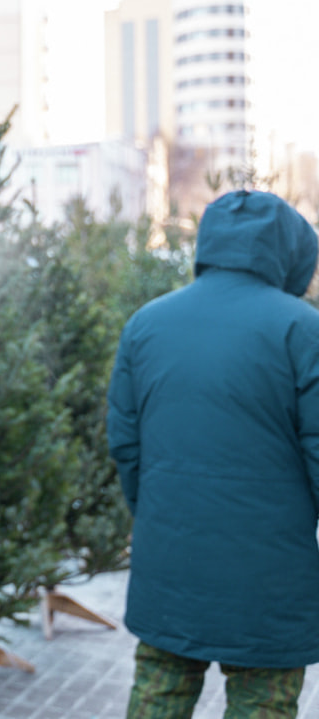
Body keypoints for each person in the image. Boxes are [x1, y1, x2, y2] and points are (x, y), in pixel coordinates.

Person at [107, 189, 319, 718]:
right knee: (263, 705)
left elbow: (126, 446)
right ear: (290, 251)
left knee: (158, 696)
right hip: (272, 573)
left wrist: (157, 514)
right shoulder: (303, 329)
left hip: (170, 562)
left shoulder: (146, 324)